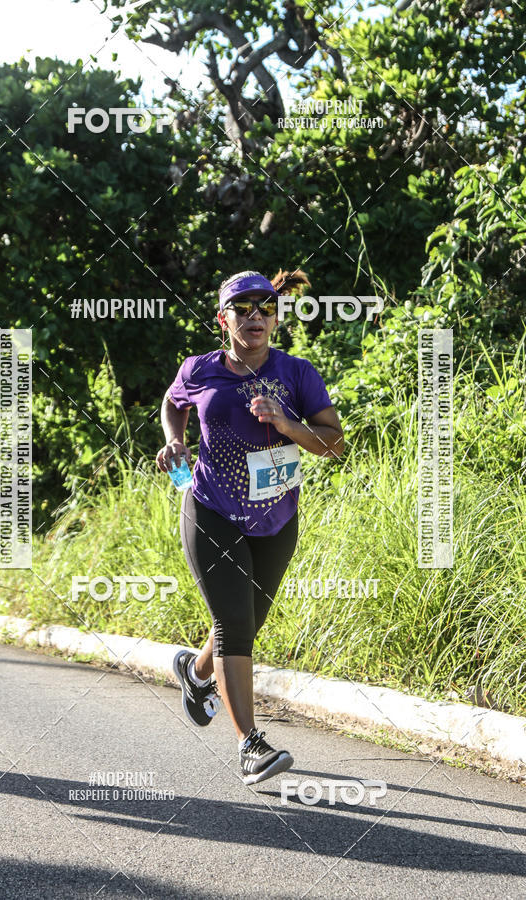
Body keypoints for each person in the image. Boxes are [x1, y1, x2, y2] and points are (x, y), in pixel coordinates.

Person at [156, 269, 344, 785]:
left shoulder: (297, 374)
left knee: (246, 623)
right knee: (234, 627)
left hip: (276, 520)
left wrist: (287, 424)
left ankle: (196, 675)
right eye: (243, 309)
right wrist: (176, 440)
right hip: (211, 511)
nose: (255, 317)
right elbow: (173, 404)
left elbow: (335, 444)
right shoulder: (199, 369)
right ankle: (249, 745)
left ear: (277, 317)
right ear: (224, 320)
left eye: (264, 308)